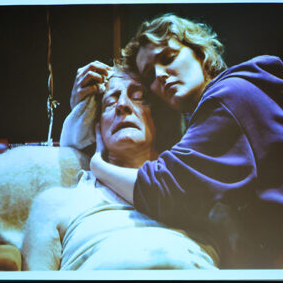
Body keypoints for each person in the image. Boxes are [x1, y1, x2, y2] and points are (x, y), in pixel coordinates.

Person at [84, 13, 283, 269]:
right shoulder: (226, 101)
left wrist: (96, 165)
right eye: (150, 75)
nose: (161, 75)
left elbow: (164, 189)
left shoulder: (227, 97)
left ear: (200, 53)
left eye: (168, 57)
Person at [21, 65, 218, 270]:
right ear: (97, 126)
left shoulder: (197, 195)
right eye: (110, 101)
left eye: (139, 97)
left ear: (159, 118)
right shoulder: (56, 203)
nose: (122, 105)